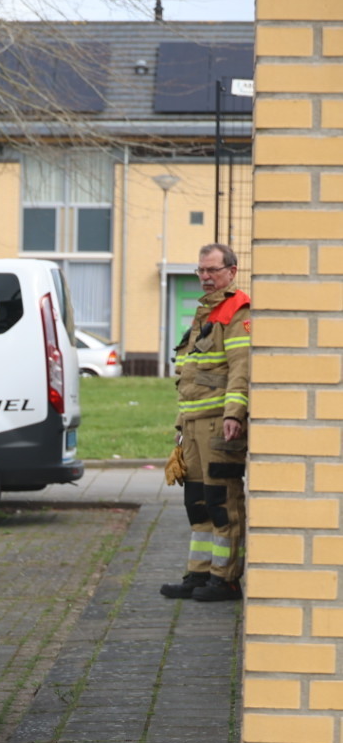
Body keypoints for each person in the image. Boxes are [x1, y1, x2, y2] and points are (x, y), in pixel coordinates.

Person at [160, 242, 250, 603]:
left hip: (218, 426)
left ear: (231, 271)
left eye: (212, 270)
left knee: (221, 501)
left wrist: (234, 415)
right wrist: (182, 424)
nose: (205, 277)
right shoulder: (206, 314)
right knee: (196, 502)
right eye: (201, 270)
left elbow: (241, 369)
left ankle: (225, 579)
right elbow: (192, 376)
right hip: (194, 425)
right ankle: (199, 575)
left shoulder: (236, 311)